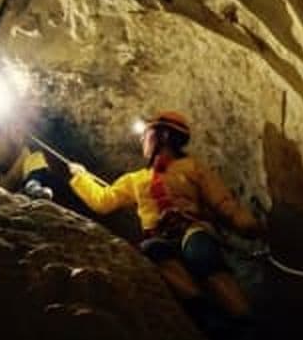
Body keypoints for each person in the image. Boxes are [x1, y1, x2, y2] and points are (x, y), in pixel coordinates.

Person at [67, 110, 265, 320]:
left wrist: (245, 223)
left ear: (164, 135)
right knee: (153, 250)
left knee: (200, 252)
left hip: (192, 229)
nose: (142, 139)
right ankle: (203, 310)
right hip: (158, 236)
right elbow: (103, 201)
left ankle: (243, 316)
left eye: (147, 133)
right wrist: (81, 177)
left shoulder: (192, 168)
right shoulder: (135, 180)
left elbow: (221, 200)